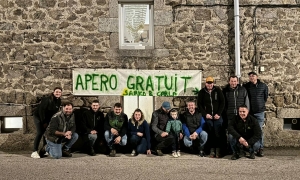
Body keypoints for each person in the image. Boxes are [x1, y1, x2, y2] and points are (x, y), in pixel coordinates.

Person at [197, 76, 225, 158]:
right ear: (205, 83)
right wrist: (205, 114)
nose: (209, 85)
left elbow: (222, 102)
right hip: (208, 116)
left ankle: (218, 149)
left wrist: (219, 114)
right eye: (208, 83)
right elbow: (200, 105)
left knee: (218, 132)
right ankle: (212, 149)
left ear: (213, 83)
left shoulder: (218, 91)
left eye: (211, 83)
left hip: (217, 116)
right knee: (211, 132)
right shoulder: (202, 92)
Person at [31, 87, 62, 159]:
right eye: (56, 92)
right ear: (53, 92)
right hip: (39, 117)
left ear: (61, 93)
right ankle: (34, 151)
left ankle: (44, 150)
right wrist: (44, 122)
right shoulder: (47, 99)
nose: (58, 93)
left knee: (46, 133)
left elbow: (54, 112)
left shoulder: (59, 101)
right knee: (40, 132)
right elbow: (41, 111)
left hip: (48, 119)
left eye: (59, 92)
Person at [244, 71, 268, 157]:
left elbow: (265, 97)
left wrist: (260, 105)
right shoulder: (246, 86)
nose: (251, 77)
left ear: (257, 77)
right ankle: (252, 148)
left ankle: (260, 148)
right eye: (250, 76)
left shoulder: (263, 86)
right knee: (251, 130)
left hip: (259, 112)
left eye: (253, 76)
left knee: (259, 130)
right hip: (250, 113)